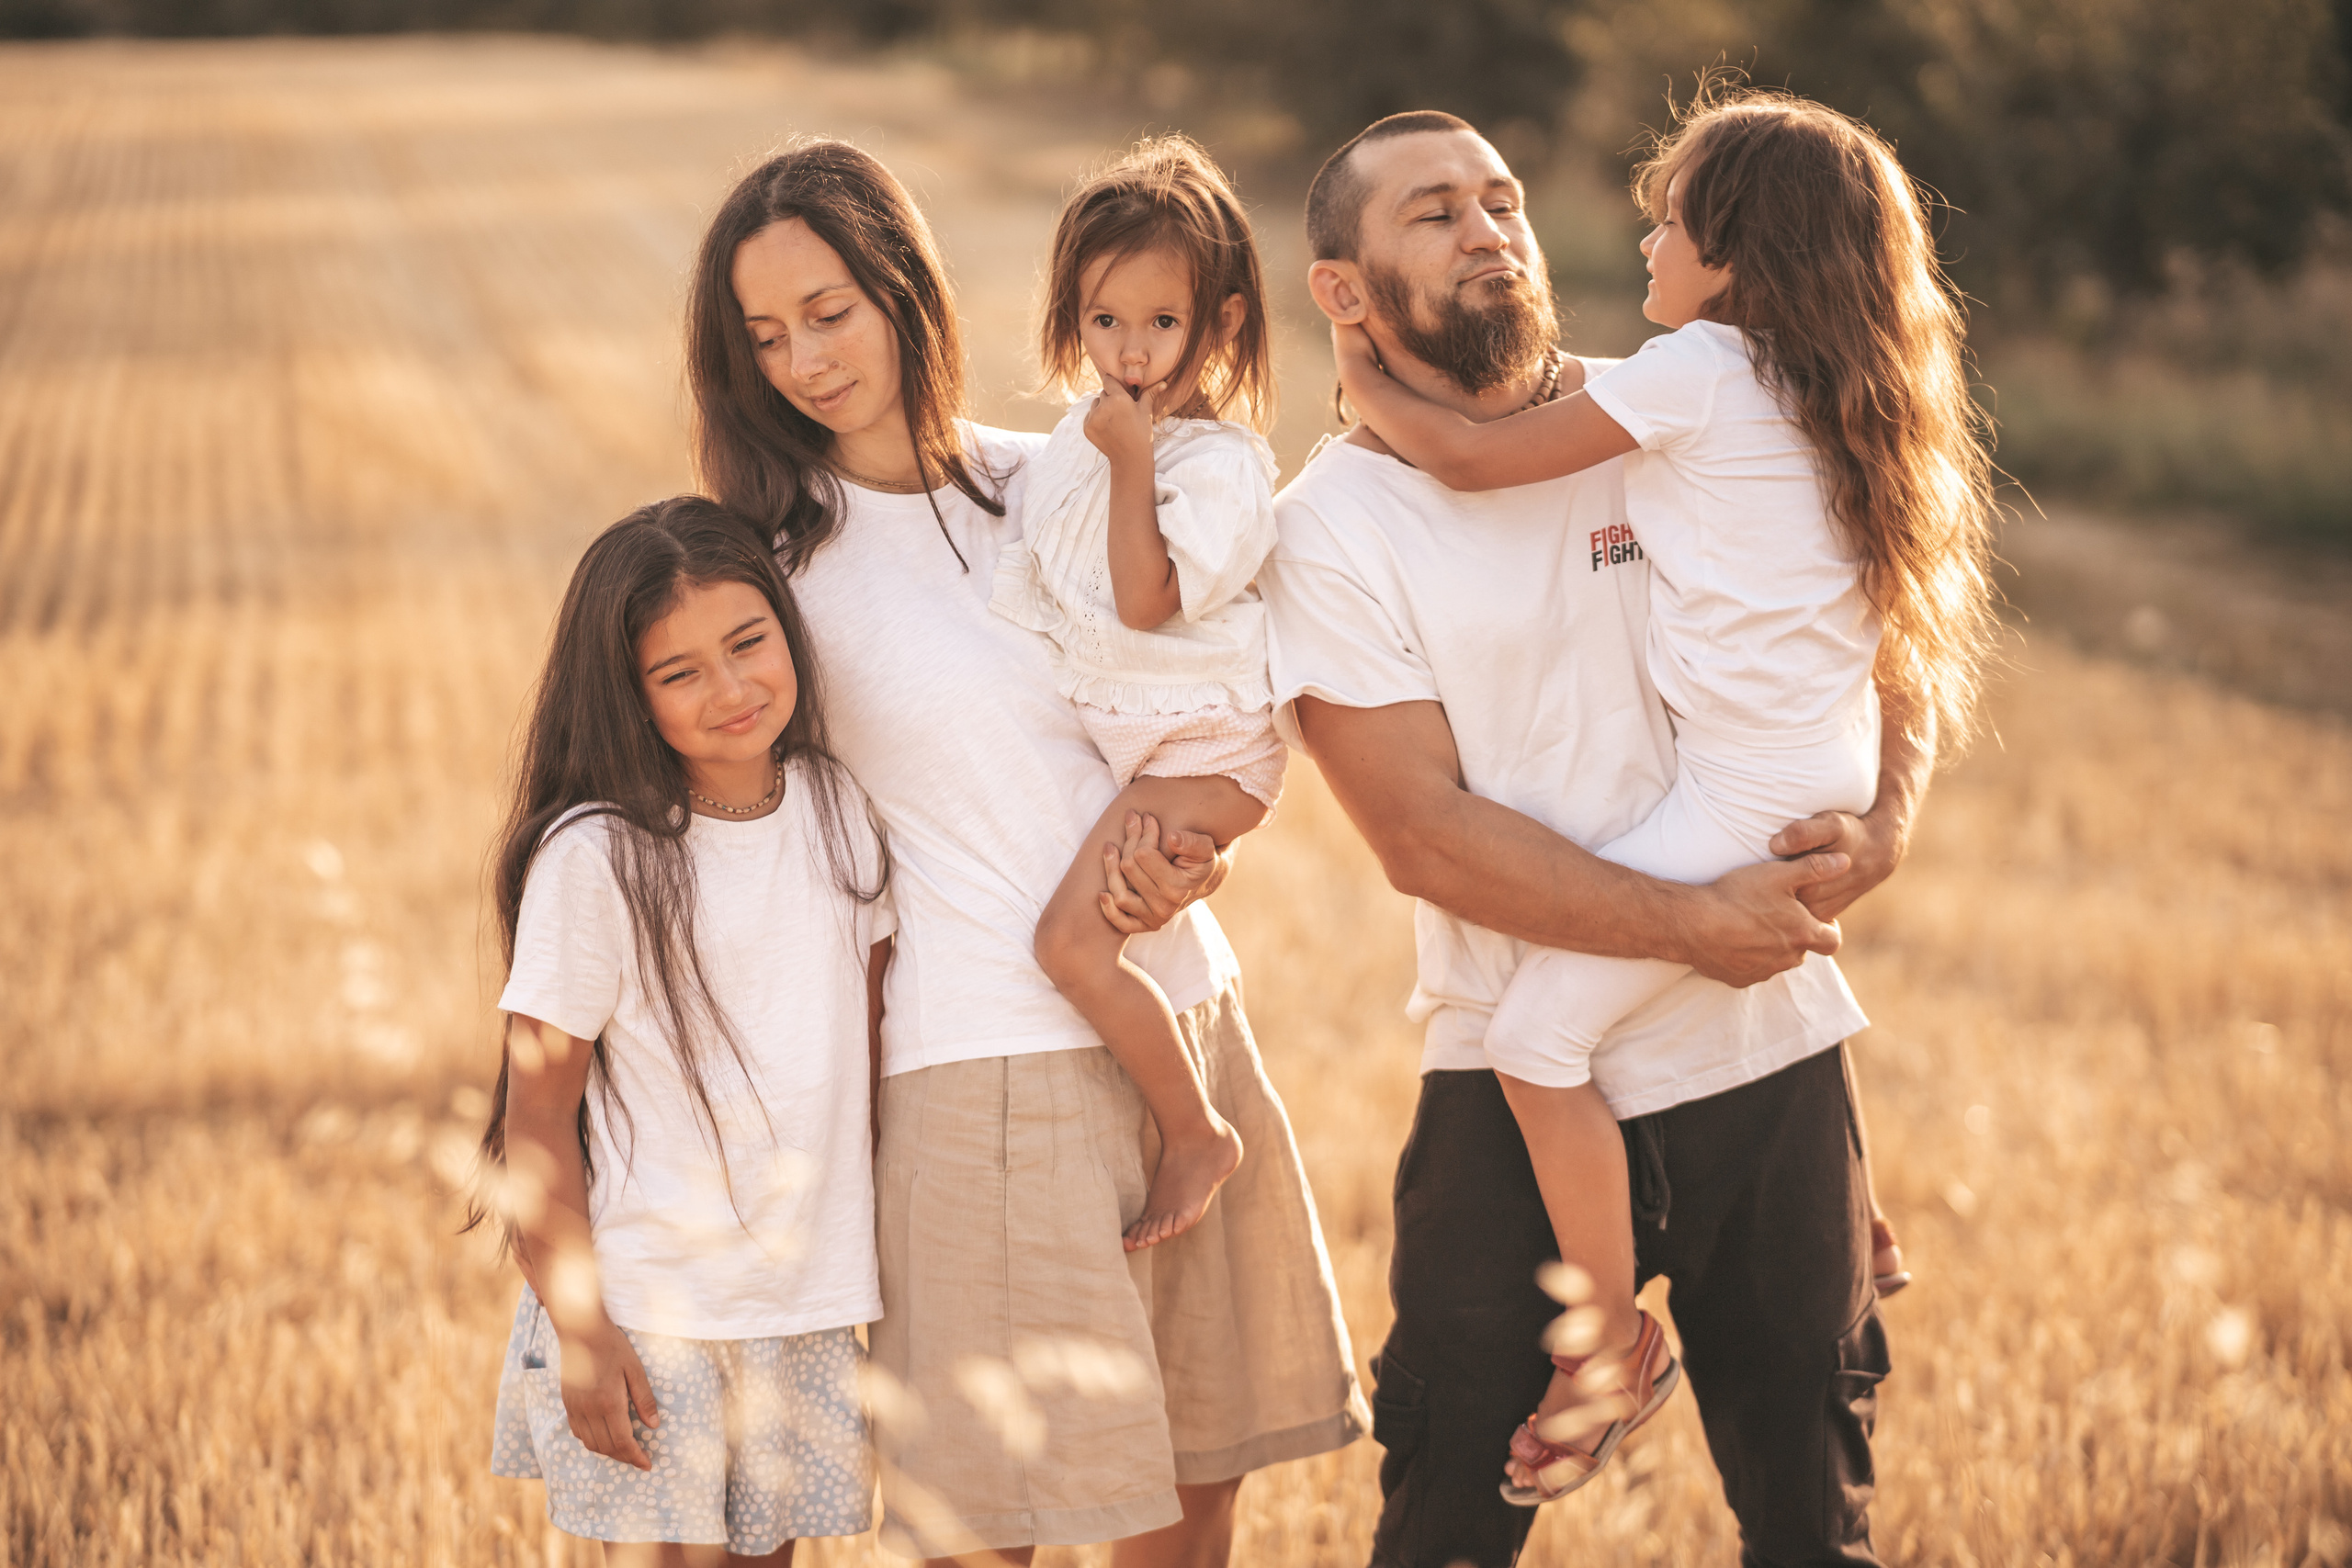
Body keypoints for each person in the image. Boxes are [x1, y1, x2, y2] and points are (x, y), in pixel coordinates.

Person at [1260, 109, 1933, 1566]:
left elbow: (1883, 633)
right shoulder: (1332, 526)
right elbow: (1425, 838)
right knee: (1445, 1526)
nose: (1490, 224)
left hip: (1767, 1053)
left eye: (1500, 196)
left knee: (1821, 1534)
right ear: (1343, 290)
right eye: (1435, 211)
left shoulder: (1681, 410)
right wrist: (1690, 922)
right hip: (1510, 1088)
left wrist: (1885, 820)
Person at [683, 139, 1367, 1566]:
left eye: (829, 311)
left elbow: (1188, 698)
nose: (804, 359)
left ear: (902, 289)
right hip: (984, 1064)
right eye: (765, 335)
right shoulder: (766, 571)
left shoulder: (1055, 471)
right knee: (988, 1529)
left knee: (1196, 1481)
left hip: (1177, 1009)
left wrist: (1200, 850)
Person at [473, 498, 895, 1567]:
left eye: (749, 644)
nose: (733, 689)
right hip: (651, 1303)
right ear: (628, 695)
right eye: (680, 673)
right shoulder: (599, 858)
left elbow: (880, 1046)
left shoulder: (842, 811)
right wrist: (578, 1328)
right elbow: (537, 1118)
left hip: (801, 1302)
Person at [990, 136, 1288, 1250]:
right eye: (1103, 320)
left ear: (1221, 324)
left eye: (1160, 323)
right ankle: (1188, 1118)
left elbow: (1145, 601)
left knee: (1070, 946)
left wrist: (1129, 461)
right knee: (1080, 934)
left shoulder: (1216, 467)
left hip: (1204, 749)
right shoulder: (1088, 429)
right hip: (1158, 746)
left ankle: (1194, 1128)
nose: (1127, 350)